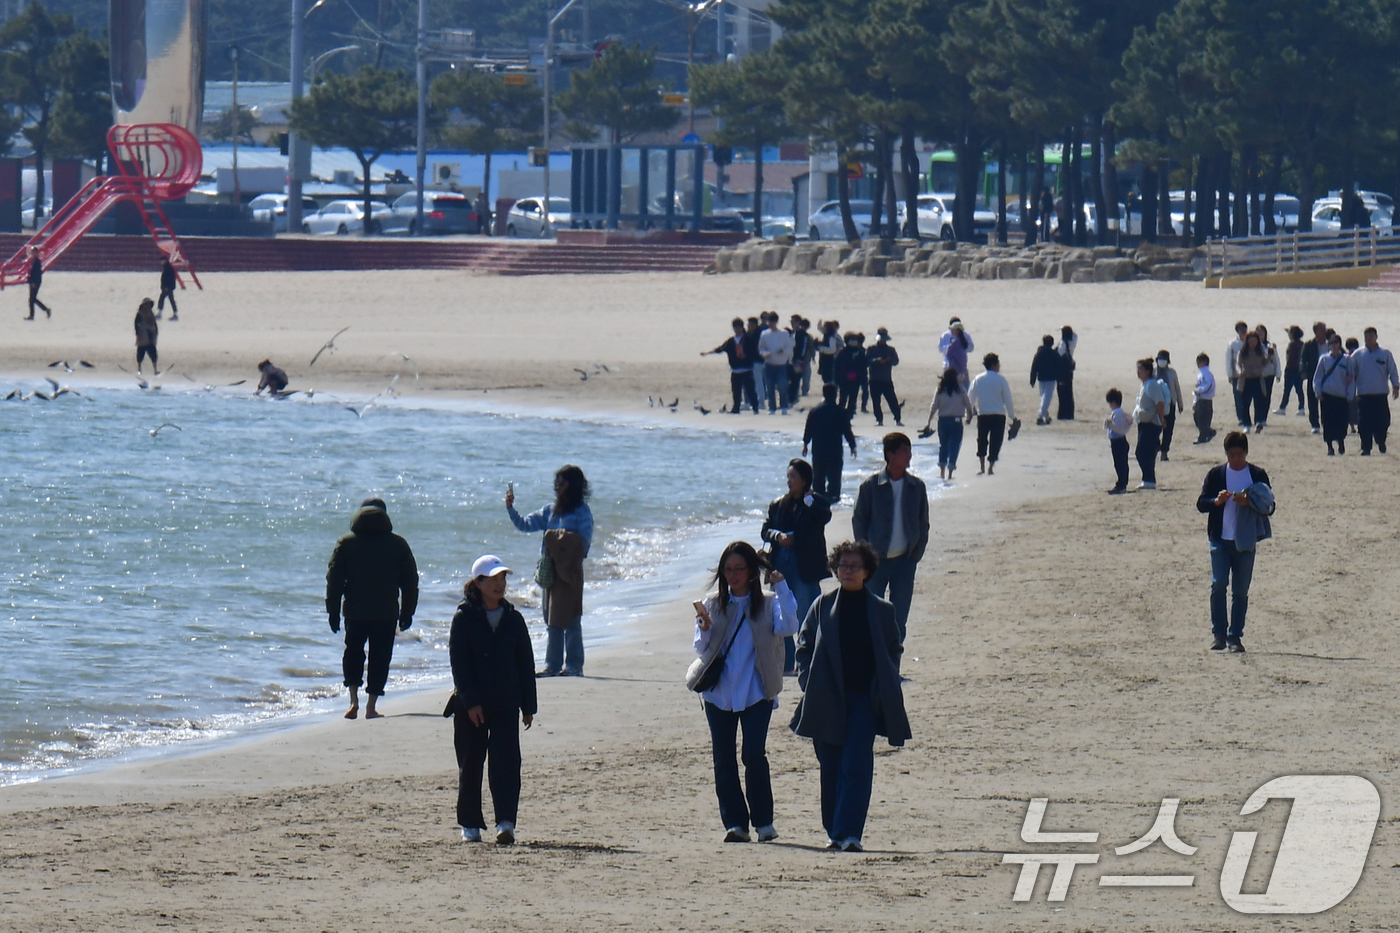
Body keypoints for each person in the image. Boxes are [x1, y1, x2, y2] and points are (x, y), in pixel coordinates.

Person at [789, 540, 910, 852]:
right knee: (830, 765)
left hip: (863, 700)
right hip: (826, 697)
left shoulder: (883, 610)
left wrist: (884, 681)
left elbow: (894, 648)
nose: (848, 571)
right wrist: (807, 681)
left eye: (855, 566)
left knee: (856, 763)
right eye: (843, 565)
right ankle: (834, 831)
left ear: (867, 571)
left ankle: (850, 833)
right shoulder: (821, 606)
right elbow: (803, 646)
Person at [690, 541, 799, 843]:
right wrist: (704, 626)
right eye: (728, 570)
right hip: (718, 692)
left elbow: (789, 626)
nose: (733, 575)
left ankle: (764, 823)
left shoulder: (768, 601)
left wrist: (783, 588)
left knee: (753, 754)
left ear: (752, 570)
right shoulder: (713, 602)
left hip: (757, 690)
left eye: (739, 569)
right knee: (723, 759)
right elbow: (701, 648)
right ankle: (735, 824)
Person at [448, 555, 536, 844]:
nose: (501, 584)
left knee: (507, 764)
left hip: (506, 702)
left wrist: (528, 706)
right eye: (494, 579)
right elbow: (459, 664)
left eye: (503, 578)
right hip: (470, 706)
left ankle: (506, 823)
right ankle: (470, 826)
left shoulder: (514, 619)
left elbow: (525, 663)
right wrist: (471, 702)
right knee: (470, 765)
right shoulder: (463, 618)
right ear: (479, 583)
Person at [325, 497, 419, 719]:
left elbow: (334, 580)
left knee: (353, 653)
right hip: (386, 613)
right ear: (385, 515)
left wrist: (333, 611)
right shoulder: (398, 544)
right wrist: (408, 612)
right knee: (380, 657)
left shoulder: (346, 543)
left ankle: (353, 701)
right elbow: (410, 583)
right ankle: (371, 707)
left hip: (354, 612)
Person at [507, 464, 594, 676]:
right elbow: (525, 525)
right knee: (551, 620)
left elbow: (584, 543)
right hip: (550, 572)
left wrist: (558, 541)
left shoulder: (582, 512)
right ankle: (552, 665)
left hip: (571, 571)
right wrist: (510, 508)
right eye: (555, 482)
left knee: (572, 619)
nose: (556, 486)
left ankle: (574, 666)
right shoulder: (549, 510)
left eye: (560, 482)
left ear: (571, 485)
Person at [1196, 432, 1274, 653]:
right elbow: (1201, 503)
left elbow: (1270, 506)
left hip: (1246, 540)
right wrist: (1216, 501)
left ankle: (1235, 636)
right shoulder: (1216, 474)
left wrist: (1249, 501)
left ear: (1246, 453)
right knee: (1218, 583)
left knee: (1240, 591)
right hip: (1220, 539)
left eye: (1240, 454)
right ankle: (1218, 634)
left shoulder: (1257, 474)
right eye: (1232, 455)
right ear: (1226, 454)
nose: (1236, 459)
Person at [852, 432, 929, 645]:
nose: (909, 456)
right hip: (876, 562)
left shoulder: (917, 487)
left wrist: (916, 553)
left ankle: (892, 667)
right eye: (904, 451)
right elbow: (859, 520)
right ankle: (875, 667)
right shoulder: (870, 486)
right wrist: (864, 553)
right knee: (872, 615)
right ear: (890, 455)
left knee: (899, 618)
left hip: (906, 560)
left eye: (909, 451)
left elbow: (923, 523)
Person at [761, 460, 832, 674]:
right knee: (781, 613)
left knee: (806, 613)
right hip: (781, 562)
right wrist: (777, 536)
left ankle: (807, 660)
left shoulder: (815, 502)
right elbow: (765, 530)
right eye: (788, 476)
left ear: (804, 479)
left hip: (805, 565)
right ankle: (787, 662)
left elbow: (824, 517)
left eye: (793, 477)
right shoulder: (778, 504)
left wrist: (809, 500)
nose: (789, 481)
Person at [803, 384, 858, 502]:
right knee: (834, 478)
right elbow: (847, 431)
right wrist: (852, 446)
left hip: (819, 450)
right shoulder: (841, 412)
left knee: (818, 478)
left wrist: (805, 444)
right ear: (835, 395)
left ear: (823, 394)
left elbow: (809, 429)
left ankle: (818, 499)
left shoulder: (815, 411)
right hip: (835, 450)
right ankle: (833, 499)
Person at [1351, 326, 1399, 455]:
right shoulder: (1358, 355)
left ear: (1376, 337)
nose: (1368, 338)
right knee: (1364, 423)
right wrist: (1350, 392)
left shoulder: (1385, 353)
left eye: (1371, 336)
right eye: (1366, 336)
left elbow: (1392, 370)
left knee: (1383, 421)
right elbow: (1351, 373)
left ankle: (1380, 440)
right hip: (1364, 395)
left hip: (1380, 394)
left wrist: (1395, 386)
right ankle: (1366, 447)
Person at [967, 352, 1016, 476]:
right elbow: (1008, 399)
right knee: (996, 441)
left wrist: (969, 414)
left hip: (983, 414)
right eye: (998, 363)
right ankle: (990, 467)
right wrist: (1012, 416)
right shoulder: (1001, 379)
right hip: (998, 415)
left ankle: (982, 467)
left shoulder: (978, 379)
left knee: (982, 440)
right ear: (994, 365)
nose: (999, 366)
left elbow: (970, 398)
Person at [921, 367, 973, 481]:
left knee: (943, 445)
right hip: (956, 421)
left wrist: (928, 422)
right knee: (954, 446)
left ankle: (942, 472)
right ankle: (950, 472)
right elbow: (968, 405)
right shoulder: (960, 389)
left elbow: (934, 406)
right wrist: (970, 417)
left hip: (943, 421)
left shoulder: (940, 389)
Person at [704, 317, 760, 415]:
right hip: (735, 370)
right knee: (736, 391)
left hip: (747, 369)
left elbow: (754, 353)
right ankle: (736, 408)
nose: (737, 329)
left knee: (750, 390)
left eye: (739, 327)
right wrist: (708, 353)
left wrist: (746, 356)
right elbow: (721, 349)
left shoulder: (748, 339)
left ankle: (755, 408)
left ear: (742, 327)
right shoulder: (731, 341)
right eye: (735, 327)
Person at [1313, 333, 1354, 456]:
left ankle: (1341, 442)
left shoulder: (1347, 359)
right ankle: (1330, 446)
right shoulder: (1324, 359)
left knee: (1341, 421)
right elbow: (1318, 377)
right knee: (1328, 422)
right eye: (1332, 343)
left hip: (1341, 396)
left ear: (1340, 344)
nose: (1334, 345)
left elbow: (1351, 378)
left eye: (1336, 343)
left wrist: (1350, 395)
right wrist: (1318, 392)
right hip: (1327, 395)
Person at [1133, 358, 1168, 489]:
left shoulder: (1152, 385)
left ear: (1148, 371)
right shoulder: (1144, 384)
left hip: (1152, 423)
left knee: (1142, 452)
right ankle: (1148, 479)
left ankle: (1148, 479)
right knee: (1145, 452)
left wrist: (1162, 418)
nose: (1138, 372)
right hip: (1143, 423)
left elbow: (1160, 403)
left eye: (1141, 369)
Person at [758, 312, 795, 414]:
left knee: (782, 386)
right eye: (770, 322)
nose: (771, 324)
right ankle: (772, 408)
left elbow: (790, 345)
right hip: (769, 364)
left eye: (773, 322)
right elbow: (761, 348)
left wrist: (783, 350)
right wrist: (765, 354)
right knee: (769, 387)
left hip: (781, 364)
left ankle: (784, 407)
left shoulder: (784, 333)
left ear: (776, 322)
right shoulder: (764, 334)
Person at [866, 328, 902, 427]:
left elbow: (896, 362)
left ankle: (897, 419)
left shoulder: (890, 350)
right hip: (874, 379)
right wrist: (877, 361)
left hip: (886, 379)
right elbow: (866, 361)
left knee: (892, 400)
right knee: (876, 401)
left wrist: (889, 360)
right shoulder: (871, 349)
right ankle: (879, 420)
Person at [1154, 351, 1184, 460]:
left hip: (1170, 404)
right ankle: (1156, 447)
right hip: (1156, 405)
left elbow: (1177, 388)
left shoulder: (1172, 373)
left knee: (1169, 429)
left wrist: (1180, 403)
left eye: (1164, 359)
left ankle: (1164, 452)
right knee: (1156, 428)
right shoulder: (1152, 373)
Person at [1236, 331, 1268, 432]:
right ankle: (1247, 425)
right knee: (1245, 404)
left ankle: (1258, 422)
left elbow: (1264, 362)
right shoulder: (1243, 351)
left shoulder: (1260, 350)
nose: (1253, 343)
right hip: (1246, 379)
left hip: (1257, 379)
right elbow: (1238, 363)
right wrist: (1239, 372)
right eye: (1251, 341)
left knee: (1259, 402)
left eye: (1255, 341)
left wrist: (1270, 355)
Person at [1103, 388, 1133, 494]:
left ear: (1114, 402)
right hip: (1118, 441)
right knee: (1119, 463)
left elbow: (1118, 428)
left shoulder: (1117, 413)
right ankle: (1121, 483)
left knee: (1120, 463)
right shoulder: (1119, 412)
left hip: (1118, 441)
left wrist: (1109, 424)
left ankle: (1122, 485)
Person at [1301, 321, 1328, 434]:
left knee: (1326, 401)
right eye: (1321, 329)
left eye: (1324, 329)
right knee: (1312, 401)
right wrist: (1303, 371)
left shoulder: (1330, 343)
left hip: (1328, 377)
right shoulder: (1309, 344)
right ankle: (1315, 424)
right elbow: (1303, 359)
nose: (1323, 331)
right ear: (1315, 331)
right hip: (1313, 375)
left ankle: (1326, 423)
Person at [833, 332, 866, 415]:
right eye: (852, 340)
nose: (854, 342)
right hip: (844, 381)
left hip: (856, 381)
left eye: (855, 340)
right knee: (842, 400)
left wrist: (862, 379)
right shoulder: (842, 352)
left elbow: (864, 365)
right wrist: (837, 380)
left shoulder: (861, 352)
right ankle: (840, 417)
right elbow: (836, 367)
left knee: (853, 401)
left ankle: (849, 418)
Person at [1030, 335, 1059, 426]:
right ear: (1052, 343)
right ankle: (1040, 416)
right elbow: (1059, 367)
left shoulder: (1039, 353)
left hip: (1041, 378)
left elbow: (1034, 367)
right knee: (1046, 398)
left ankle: (1046, 417)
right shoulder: (1054, 354)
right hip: (1051, 378)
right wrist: (1060, 378)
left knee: (1044, 397)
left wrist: (1032, 379)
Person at [1277, 326, 1305, 415]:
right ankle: (1301, 408)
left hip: (1291, 369)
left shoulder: (1292, 344)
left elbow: (1290, 358)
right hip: (1299, 370)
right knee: (1299, 390)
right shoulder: (1302, 344)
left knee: (1287, 390)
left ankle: (1282, 408)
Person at [1226, 320, 1249, 427]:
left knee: (1248, 397)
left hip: (1250, 374)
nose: (1242, 331)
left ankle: (1247, 417)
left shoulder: (1250, 341)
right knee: (1238, 397)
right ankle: (1241, 418)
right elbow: (1229, 359)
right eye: (1240, 329)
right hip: (1237, 375)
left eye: (1244, 329)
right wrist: (1230, 374)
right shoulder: (1233, 344)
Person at [939, 318, 974, 387]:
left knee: (956, 387)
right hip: (951, 366)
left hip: (957, 367)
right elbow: (941, 349)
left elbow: (971, 348)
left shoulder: (964, 336)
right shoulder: (945, 335)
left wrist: (956, 349)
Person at [1192, 352, 1218, 444]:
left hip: (1205, 400)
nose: (1198, 364)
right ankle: (1207, 433)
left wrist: (1200, 391)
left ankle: (1206, 435)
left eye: (1199, 361)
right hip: (1200, 399)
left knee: (1202, 420)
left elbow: (1208, 385)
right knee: (1197, 418)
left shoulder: (1207, 374)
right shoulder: (1201, 374)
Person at [1056, 325, 1077, 420]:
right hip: (1069, 371)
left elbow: (1059, 354)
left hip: (1062, 371)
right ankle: (1070, 414)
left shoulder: (1063, 344)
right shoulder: (1072, 343)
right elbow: (1075, 336)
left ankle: (1063, 414)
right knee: (1069, 392)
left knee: (1062, 393)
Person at [790, 315, 813, 400]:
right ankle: (795, 397)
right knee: (796, 379)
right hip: (797, 360)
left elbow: (806, 348)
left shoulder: (804, 335)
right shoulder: (794, 334)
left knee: (802, 379)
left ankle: (801, 396)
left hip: (802, 361)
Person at [1256, 324, 1278, 413]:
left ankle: (1264, 417)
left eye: (1262, 332)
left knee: (1267, 395)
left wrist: (1278, 373)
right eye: (1258, 332)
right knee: (1258, 396)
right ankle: (1258, 417)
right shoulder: (1252, 346)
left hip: (1269, 374)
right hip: (1256, 374)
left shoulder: (1270, 345)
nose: (1260, 334)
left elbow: (1276, 359)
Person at [134, 298, 159, 375]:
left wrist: (155, 332)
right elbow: (136, 324)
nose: (148, 306)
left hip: (151, 337)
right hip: (143, 337)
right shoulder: (140, 314)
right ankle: (139, 369)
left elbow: (155, 324)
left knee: (153, 354)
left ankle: (155, 369)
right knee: (140, 354)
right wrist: (138, 333)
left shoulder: (151, 314)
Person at [25, 246, 49, 320]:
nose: (32, 253)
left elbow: (37, 273)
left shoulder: (37, 261)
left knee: (32, 299)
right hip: (33, 281)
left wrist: (34, 282)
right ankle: (45, 310)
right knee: (32, 299)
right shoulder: (34, 261)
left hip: (35, 282)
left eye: (33, 252)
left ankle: (33, 315)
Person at [816, 320, 842, 385]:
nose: (823, 329)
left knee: (829, 378)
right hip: (824, 360)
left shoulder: (832, 338)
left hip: (829, 361)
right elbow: (820, 329)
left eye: (825, 327)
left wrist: (821, 348)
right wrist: (819, 324)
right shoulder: (827, 335)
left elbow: (832, 350)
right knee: (825, 377)